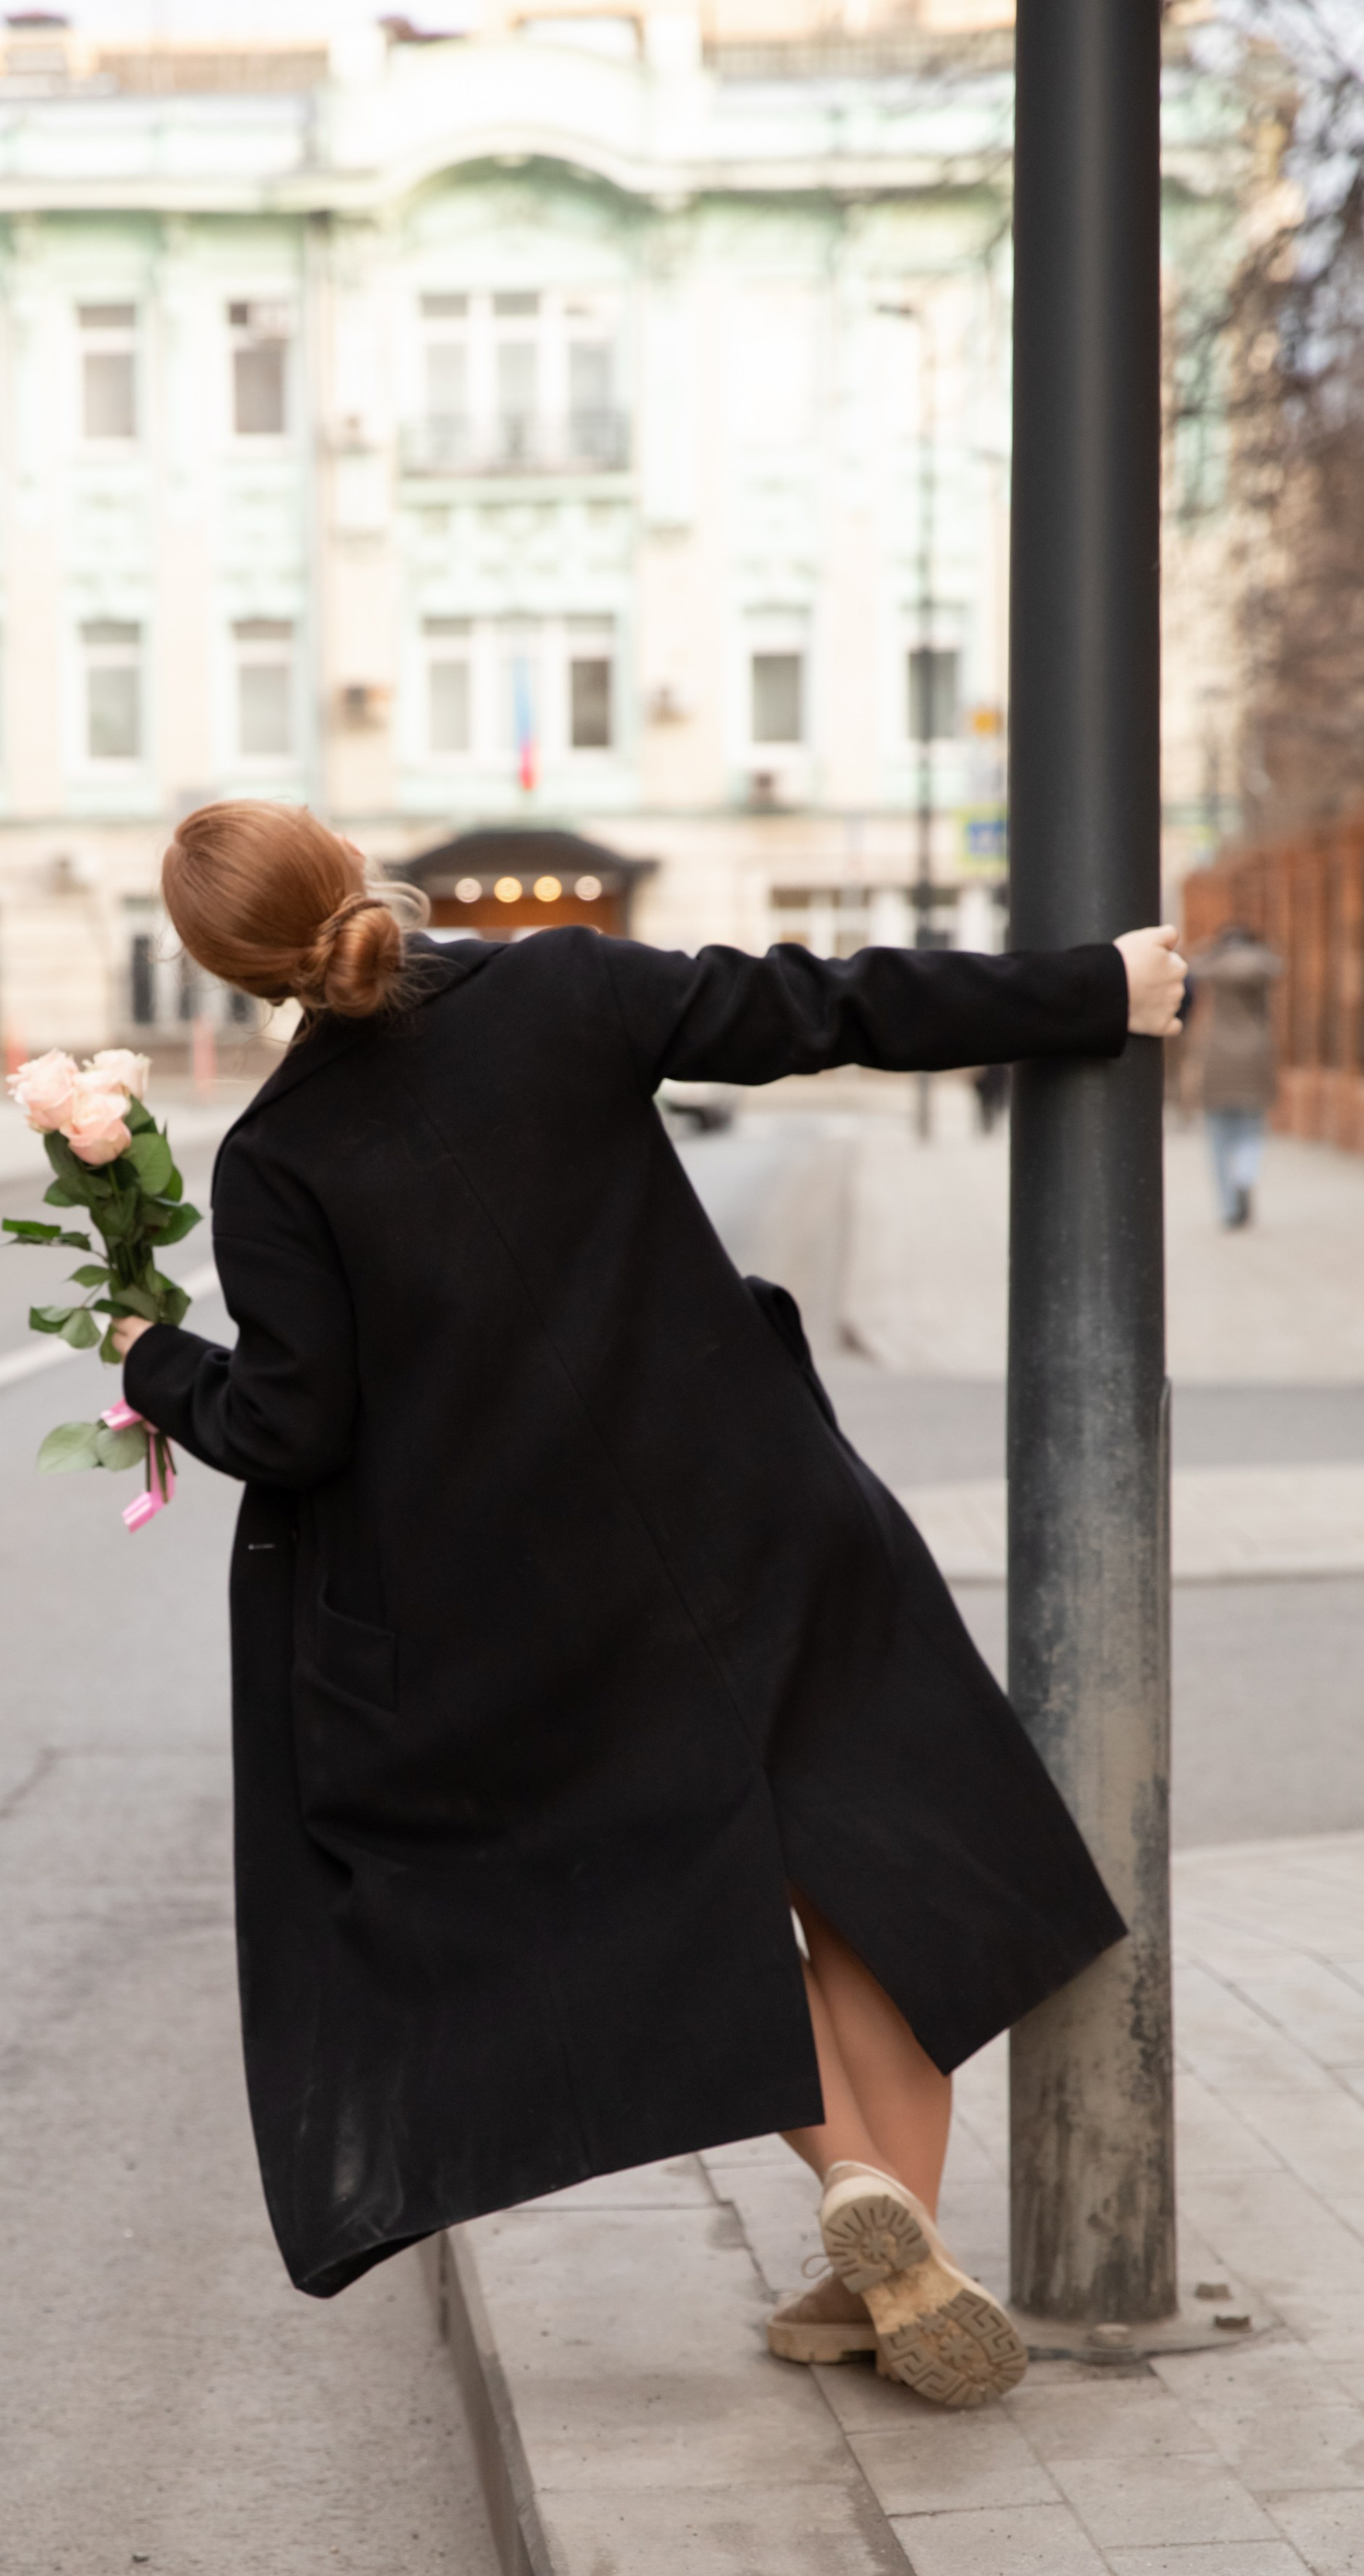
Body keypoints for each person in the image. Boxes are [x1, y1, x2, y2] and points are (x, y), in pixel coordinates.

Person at [112, 803, 1186, 2410]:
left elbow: (291, 1426)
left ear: (224, 973)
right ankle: (885, 2259)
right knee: (856, 1872)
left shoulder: (277, 1161)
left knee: (681, 1905)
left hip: (540, 1605)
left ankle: (848, 2197)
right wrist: (1093, 986)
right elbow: (826, 1005)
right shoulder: (561, 988)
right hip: (762, 1511)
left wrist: (148, 1355)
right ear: (348, 866)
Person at [1187, 924, 1280, 1229]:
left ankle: (1228, 1206)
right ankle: (1245, 1177)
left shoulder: (1214, 966)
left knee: (1218, 1139)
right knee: (1251, 1130)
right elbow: (1277, 965)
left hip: (1218, 1057)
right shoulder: (1263, 965)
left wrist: (1211, 948)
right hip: (1255, 1054)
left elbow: (1191, 965)